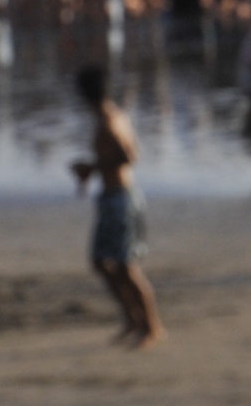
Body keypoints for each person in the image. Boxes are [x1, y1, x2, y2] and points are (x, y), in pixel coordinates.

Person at [71, 63, 164, 348]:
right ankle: (132, 320)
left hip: (121, 199)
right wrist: (93, 169)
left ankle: (151, 326)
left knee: (126, 266)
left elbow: (129, 156)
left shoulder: (109, 120)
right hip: (114, 198)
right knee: (101, 262)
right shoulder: (113, 116)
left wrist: (93, 166)